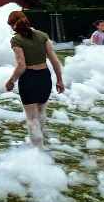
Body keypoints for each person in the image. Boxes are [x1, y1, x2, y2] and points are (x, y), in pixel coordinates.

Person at [5, 10, 65, 148]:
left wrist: (11, 81)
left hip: (29, 79)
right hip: (45, 78)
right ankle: (42, 144)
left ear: (13, 25)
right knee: (41, 112)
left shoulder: (16, 40)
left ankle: (37, 152)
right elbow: (55, 61)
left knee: (32, 118)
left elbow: (21, 65)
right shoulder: (43, 36)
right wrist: (60, 80)